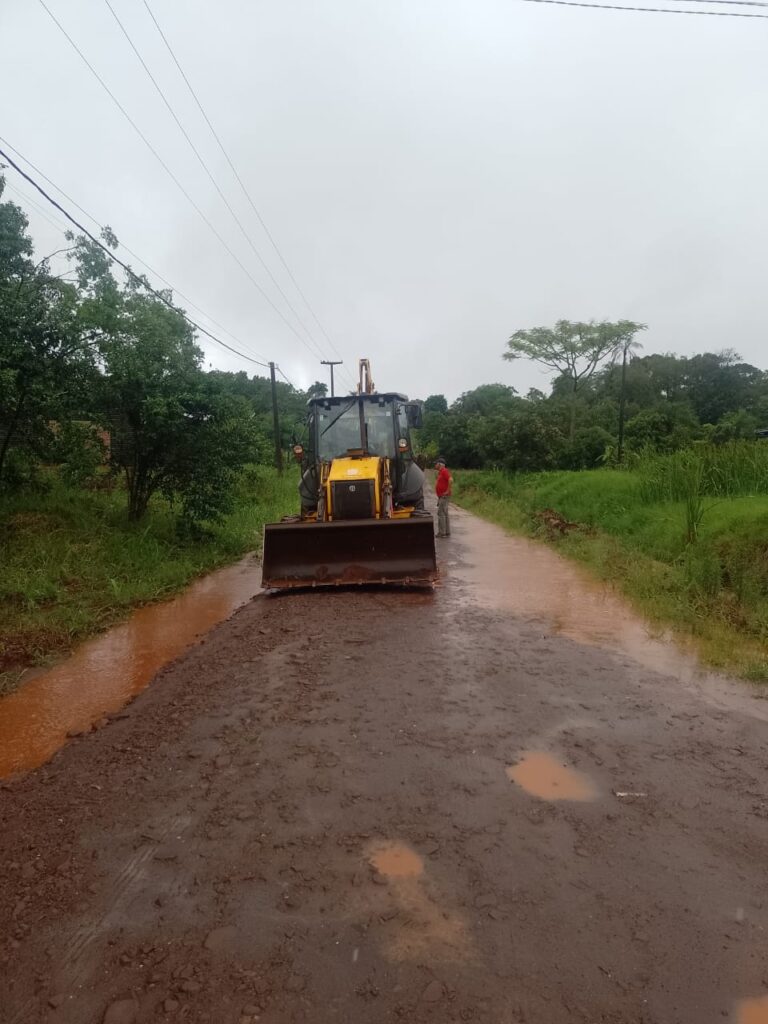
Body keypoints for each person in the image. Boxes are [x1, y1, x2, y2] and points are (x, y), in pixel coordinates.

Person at [434, 457, 452, 537]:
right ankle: (447, 532)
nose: (435, 465)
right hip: (442, 496)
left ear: (440, 464)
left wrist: (448, 490)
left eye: (436, 463)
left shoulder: (444, 471)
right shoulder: (441, 472)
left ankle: (442, 533)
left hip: (444, 496)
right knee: (445, 513)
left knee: (441, 513)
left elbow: (451, 480)